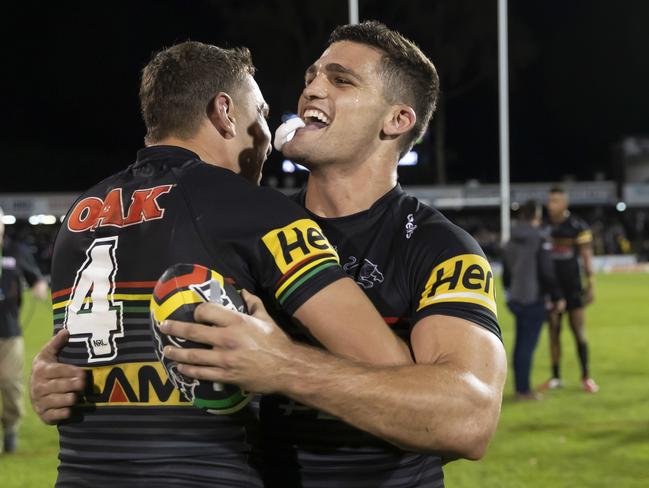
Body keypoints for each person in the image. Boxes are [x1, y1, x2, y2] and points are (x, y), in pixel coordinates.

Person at [29, 41, 410, 487]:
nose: (266, 135)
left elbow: (68, 369)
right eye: (261, 115)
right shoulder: (251, 209)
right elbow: (389, 373)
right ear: (224, 112)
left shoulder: (79, 215)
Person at [161, 22, 507, 488]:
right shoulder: (243, 226)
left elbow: (468, 420)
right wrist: (70, 380)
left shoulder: (438, 248)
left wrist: (283, 366)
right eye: (312, 77)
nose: (312, 91)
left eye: (341, 80)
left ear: (397, 120)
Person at [502, 200, 565, 400]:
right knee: (527, 345)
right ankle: (523, 390)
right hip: (533, 298)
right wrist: (557, 296)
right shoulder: (539, 238)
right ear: (536, 215)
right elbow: (546, 271)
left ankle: (520, 387)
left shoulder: (511, 239)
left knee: (521, 345)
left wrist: (510, 293)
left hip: (516, 298)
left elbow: (506, 272)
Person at [542, 187, 599, 393]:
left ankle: (586, 376)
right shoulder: (544, 226)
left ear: (565, 204)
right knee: (553, 332)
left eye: (555, 201)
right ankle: (556, 377)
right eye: (550, 201)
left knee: (578, 332)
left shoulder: (577, 226)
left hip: (573, 287)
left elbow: (585, 256)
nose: (551, 205)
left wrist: (591, 282)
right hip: (552, 289)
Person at [0, 207, 48, 453]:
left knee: (9, 382)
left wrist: (39, 286)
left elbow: (35, 278)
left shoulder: (15, 252)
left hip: (9, 331)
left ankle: (10, 427)